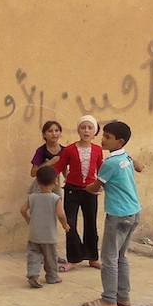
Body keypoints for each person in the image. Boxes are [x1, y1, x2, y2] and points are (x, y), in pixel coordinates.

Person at [82, 121, 143, 306]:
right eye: (103, 135)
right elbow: (139, 167)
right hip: (133, 212)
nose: (103, 139)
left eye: (108, 137)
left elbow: (95, 186)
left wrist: (86, 188)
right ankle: (123, 296)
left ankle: (108, 299)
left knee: (109, 258)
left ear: (120, 141)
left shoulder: (110, 163)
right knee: (121, 256)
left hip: (118, 214)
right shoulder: (126, 156)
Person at [56, 115, 104, 270]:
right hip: (72, 191)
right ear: (78, 130)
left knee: (91, 223)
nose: (86, 131)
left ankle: (92, 258)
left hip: (90, 192)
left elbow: (101, 169)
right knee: (70, 224)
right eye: (83, 127)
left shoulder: (98, 150)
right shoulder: (69, 149)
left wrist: (102, 185)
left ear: (95, 132)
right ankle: (73, 259)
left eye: (90, 128)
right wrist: (46, 181)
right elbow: (59, 166)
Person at [20, 165, 70, 288]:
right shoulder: (55, 198)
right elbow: (61, 215)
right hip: (49, 235)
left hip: (34, 234)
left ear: (37, 181)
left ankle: (33, 275)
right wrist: (65, 226)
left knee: (34, 255)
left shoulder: (32, 197)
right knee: (50, 257)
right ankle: (52, 277)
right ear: (55, 181)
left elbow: (22, 210)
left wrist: (27, 218)